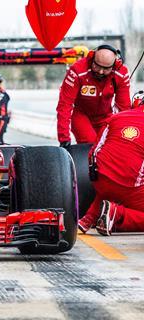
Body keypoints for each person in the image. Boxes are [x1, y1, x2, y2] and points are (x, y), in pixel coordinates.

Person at [77, 103, 144, 236]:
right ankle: (116, 214)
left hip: (100, 177)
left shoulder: (116, 117)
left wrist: (95, 174)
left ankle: (88, 218)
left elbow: (94, 150)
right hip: (128, 184)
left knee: (110, 182)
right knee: (126, 182)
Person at [56, 45, 131, 147]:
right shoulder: (77, 70)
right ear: (92, 58)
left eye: (105, 68)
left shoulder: (121, 73)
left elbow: (124, 108)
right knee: (91, 146)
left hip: (106, 117)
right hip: (81, 116)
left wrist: (126, 136)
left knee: (109, 147)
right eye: (97, 66)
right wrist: (64, 138)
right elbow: (64, 105)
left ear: (114, 65)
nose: (100, 71)